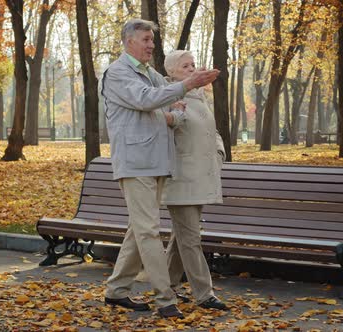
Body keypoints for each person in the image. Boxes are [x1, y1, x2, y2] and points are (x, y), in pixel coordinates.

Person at [101, 18, 219, 319]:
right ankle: (165, 299)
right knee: (149, 232)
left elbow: (170, 111)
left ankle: (116, 290)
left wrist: (176, 105)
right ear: (129, 41)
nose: (151, 46)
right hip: (135, 164)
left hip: (157, 162)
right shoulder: (118, 73)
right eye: (146, 40)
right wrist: (184, 87)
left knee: (138, 231)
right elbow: (147, 100)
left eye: (152, 41)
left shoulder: (150, 73)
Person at [160, 50, 228, 311]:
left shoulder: (199, 97)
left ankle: (168, 288)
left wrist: (219, 153)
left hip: (201, 176)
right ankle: (204, 294)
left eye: (193, 65)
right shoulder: (167, 96)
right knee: (190, 238)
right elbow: (165, 130)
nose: (191, 69)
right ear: (172, 72)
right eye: (185, 66)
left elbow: (212, 132)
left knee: (182, 237)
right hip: (180, 179)